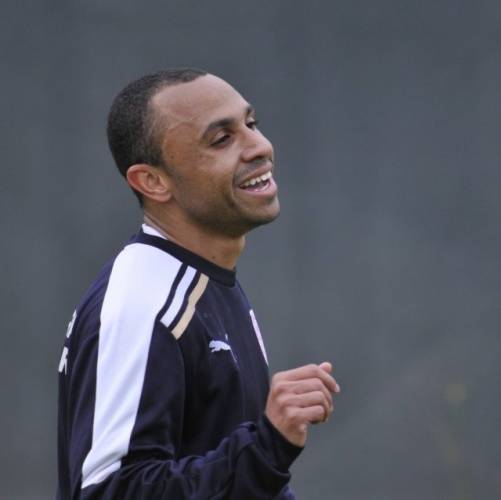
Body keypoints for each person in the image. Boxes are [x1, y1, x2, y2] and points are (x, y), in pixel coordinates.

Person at [56, 68, 340, 500]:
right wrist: (268, 445)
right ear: (152, 181)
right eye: (222, 139)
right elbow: (110, 491)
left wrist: (267, 450)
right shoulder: (142, 303)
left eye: (251, 124)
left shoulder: (203, 280)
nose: (260, 146)